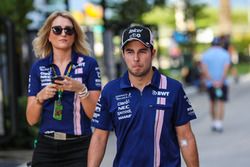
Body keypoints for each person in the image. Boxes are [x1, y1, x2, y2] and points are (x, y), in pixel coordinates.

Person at [88, 25, 199, 167]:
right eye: (129, 52)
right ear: (123, 54)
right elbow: (99, 137)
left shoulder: (173, 88)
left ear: (153, 53)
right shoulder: (110, 91)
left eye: (142, 51)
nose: (136, 58)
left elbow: (185, 137)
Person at [26, 11, 102, 166]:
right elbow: (31, 119)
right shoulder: (38, 67)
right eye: (57, 29)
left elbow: (95, 115)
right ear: (48, 35)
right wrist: (40, 98)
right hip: (46, 145)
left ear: (74, 36)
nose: (63, 34)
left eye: (69, 30)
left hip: (79, 146)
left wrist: (81, 89)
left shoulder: (89, 64)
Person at [201, 37, 231, 133]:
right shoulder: (225, 54)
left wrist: (212, 81)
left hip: (210, 83)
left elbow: (204, 70)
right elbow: (226, 69)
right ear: (220, 44)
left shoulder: (205, 55)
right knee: (221, 102)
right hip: (222, 83)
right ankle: (219, 123)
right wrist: (220, 81)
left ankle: (214, 122)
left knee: (212, 102)